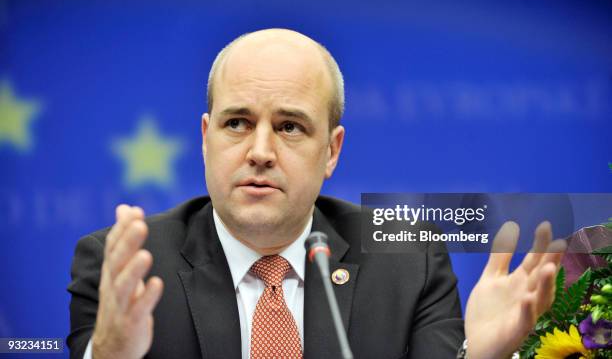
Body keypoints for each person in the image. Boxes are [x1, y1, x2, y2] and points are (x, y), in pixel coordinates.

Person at [67, 28, 566, 359]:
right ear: (205, 138)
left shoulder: (408, 258)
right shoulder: (126, 265)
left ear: (331, 151)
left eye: (289, 127)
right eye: (237, 123)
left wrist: (478, 357)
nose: (259, 151)